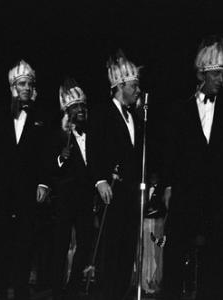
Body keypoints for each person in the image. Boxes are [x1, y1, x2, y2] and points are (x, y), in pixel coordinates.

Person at [162, 36, 223, 300]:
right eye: (217, 75)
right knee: (176, 250)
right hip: (186, 192)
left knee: (216, 256)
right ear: (203, 74)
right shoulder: (181, 109)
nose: (221, 80)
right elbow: (171, 152)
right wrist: (167, 184)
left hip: (216, 196)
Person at [0, 60, 50, 300]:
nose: (27, 88)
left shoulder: (40, 119)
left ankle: (21, 291)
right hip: (2, 189)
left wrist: (43, 183)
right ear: (12, 87)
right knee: (1, 241)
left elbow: (45, 155)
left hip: (28, 191)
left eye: (30, 84)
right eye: (22, 83)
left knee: (25, 243)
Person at [87, 50, 142, 300]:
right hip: (111, 190)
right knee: (111, 248)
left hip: (131, 193)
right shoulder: (101, 113)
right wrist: (99, 180)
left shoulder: (136, 117)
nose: (138, 90)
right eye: (134, 86)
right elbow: (93, 149)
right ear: (120, 86)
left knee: (127, 248)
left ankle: (120, 293)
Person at [50, 78, 94, 300]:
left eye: (83, 106)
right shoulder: (59, 135)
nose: (81, 110)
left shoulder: (92, 135)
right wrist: (60, 158)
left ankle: (73, 286)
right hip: (66, 198)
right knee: (61, 243)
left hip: (86, 198)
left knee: (86, 242)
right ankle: (57, 289)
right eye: (76, 107)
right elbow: (49, 166)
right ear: (68, 110)